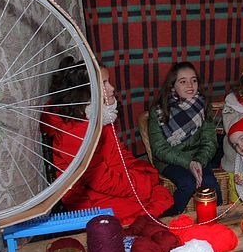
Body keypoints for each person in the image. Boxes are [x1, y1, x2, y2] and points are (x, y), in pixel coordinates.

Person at [40, 57, 173, 225]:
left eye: (108, 82)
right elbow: (99, 180)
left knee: (153, 186)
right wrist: (138, 184)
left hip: (105, 182)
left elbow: (118, 153)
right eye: (104, 83)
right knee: (149, 202)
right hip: (86, 195)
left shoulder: (96, 117)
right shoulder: (75, 131)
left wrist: (139, 174)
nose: (112, 88)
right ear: (86, 92)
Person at [148, 61, 222, 214]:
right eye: (183, 81)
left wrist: (199, 161)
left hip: (197, 157)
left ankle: (218, 219)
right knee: (187, 183)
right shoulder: (159, 111)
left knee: (210, 183)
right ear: (172, 86)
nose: (190, 85)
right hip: (170, 160)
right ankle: (169, 219)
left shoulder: (203, 105)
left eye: (194, 80)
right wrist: (188, 163)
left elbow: (210, 141)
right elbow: (159, 149)